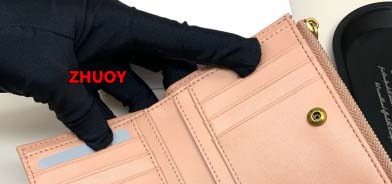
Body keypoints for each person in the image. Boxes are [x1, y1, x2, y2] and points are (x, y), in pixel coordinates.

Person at [0, 0, 261, 150]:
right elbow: (55, 79)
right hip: (74, 54)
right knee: (99, 85)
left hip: (76, 27)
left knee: (182, 44)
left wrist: (101, 142)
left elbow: (52, 77)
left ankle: (247, 56)